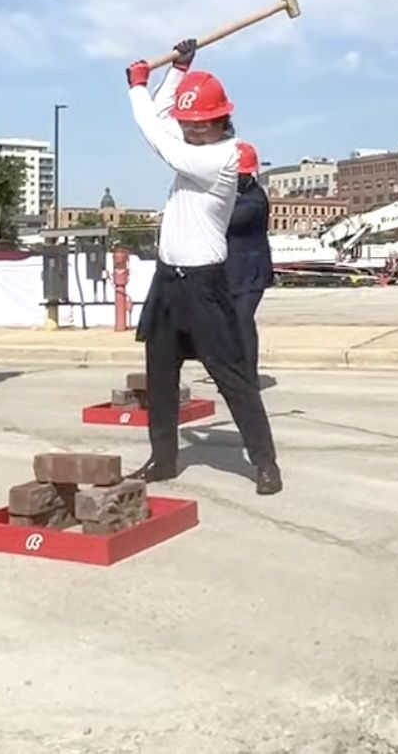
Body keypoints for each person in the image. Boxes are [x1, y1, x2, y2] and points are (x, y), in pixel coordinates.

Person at [125, 38, 282, 496]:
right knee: (160, 374)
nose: (192, 130)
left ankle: (265, 462)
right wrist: (177, 72)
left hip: (204, 284)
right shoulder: (196, 146)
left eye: (201, 124)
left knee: (232, 376)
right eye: (189, 124)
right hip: (167, 283)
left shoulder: (222, 159)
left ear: (221, 121)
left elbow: (157, 136)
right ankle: (163, 458)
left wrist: (137, 87)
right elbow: (161, 122)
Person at [225, 140, 272, 386]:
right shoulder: (235, 195)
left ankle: (248, 376)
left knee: (242, 319)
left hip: (250, 273)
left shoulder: (253, 200)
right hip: (230, 271)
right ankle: (233, 370)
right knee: (228, 322)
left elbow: (224, 220)